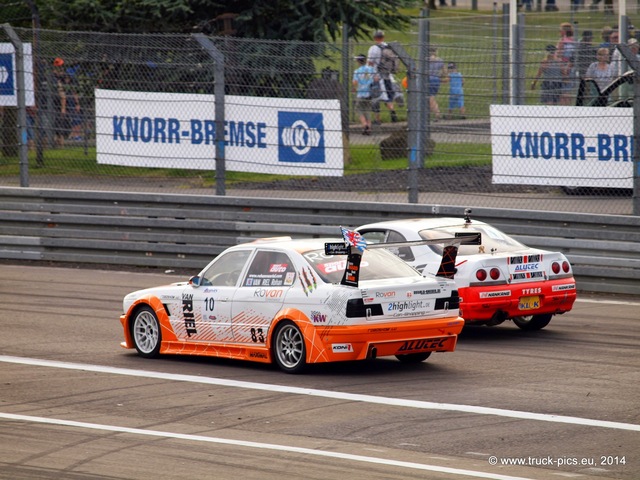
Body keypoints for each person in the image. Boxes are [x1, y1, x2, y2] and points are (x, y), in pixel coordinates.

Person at [367, 30, 398, 123]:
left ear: (374, 38)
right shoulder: (388, 47)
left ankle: (377, 119)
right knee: (388, 97)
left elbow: (370, 63)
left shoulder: (373, 48)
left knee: (376, 98)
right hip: (388, 76)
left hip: (376, 76)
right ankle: (393, 112)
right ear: (383, 37)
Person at [352, 54, 375, 135]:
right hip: (370, 92)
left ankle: (364, 125)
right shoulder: (371, 69)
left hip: (361, 93)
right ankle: (369, 129)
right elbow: (375, 78)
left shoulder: (357, 71)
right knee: (367, 110)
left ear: (358, 62)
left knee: (359, 110)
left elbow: (355, 82)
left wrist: (354, 87)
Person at [556, 22, 577, 105]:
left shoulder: (562, 42)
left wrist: (564, 70)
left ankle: (564, 108)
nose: (559, 32)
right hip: (572, 67)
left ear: (564, 31)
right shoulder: (574, 41)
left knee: (563, 92)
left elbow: (558, 56)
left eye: (560, 30)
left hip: (564, 67)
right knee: (568, 90)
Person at [427, 47, 446, 121]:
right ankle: (428, 114)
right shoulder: (440, 60)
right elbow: (444, 72)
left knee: (430, 98)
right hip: (436, 80)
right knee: (429, 97)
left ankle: (437, 114)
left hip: (428, 80)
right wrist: (439, 75)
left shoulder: (425, 60)